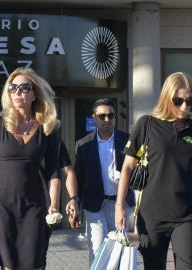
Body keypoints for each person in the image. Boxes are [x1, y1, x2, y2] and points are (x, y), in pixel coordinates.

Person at [115, 72, 192, 270]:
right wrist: (119, 206)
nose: (184, 106)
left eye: (190, 101)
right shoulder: (146, 124)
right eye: (178, 100)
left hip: (187, 215)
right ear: (167, 98)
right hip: (152, 215)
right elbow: (127, 167)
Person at [0, 67, 61, 270]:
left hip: (34, 203)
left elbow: (53, 170)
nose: (17, 92)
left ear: (34, 94)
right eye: (12, 88)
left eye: (23, 88)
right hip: (1, 203)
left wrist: (54, 204)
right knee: (8, 264)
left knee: (35, 262)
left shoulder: (48, 127)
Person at [74, 98, 135, 266]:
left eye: (111, 115)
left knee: (119, 251)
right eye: (102, 116)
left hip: (121, 204)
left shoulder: (127, 140)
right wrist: (75, 206)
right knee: (98, 251)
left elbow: (135, 171)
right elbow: (78, 177)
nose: (107, 120)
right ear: (94, 117)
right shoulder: (83, 144)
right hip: (95, 204)